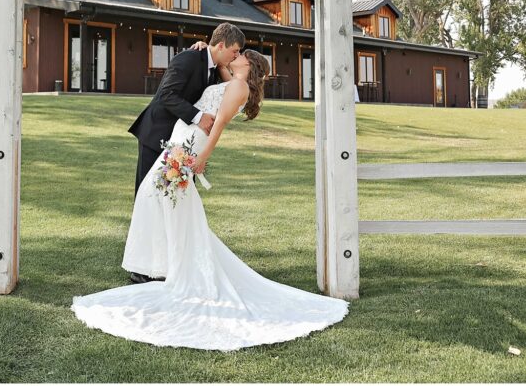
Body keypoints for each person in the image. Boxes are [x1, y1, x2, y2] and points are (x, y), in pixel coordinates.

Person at [72, 49, 349, 351]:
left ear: (249, 64)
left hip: (192, 142)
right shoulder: (234, 80)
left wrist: (202, 156)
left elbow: (218, 125)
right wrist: (202, 49)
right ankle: (165, 262)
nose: (236, 56)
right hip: (180, 137)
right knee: (159, 197)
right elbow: (218, 69)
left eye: (241, 55)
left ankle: (175, 264)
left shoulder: (240, 87)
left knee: (163, 195)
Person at [125, 22, 244, 283]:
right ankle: (140, 266)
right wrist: (199, 117)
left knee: (172, 202)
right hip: (156, 135)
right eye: (234, 51)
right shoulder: (188, 59)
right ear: (221, 45)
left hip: (182, 144)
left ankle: (167, 262)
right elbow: (167, 95)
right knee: (148, 197)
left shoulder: (214, 68)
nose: (236, 56)